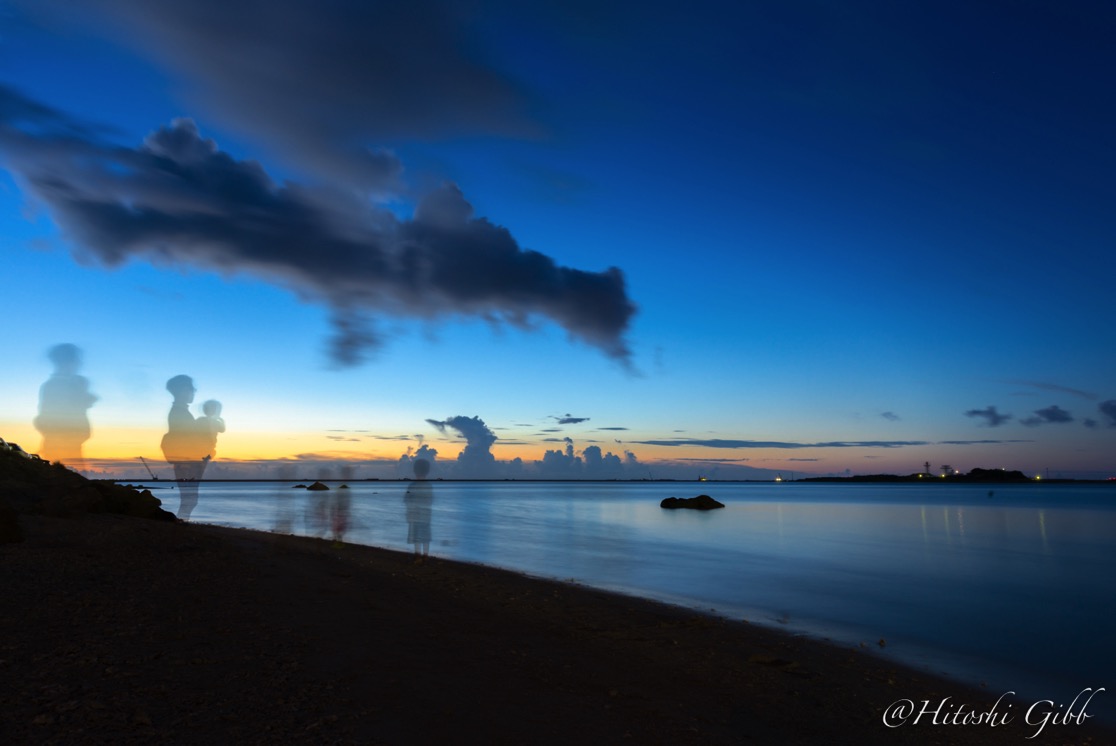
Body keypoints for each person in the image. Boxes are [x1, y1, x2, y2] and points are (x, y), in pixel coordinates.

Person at [34, 343, 97, 466]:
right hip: (60, 446)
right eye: (76, 359)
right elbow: (44, 417)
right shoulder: (54, 386)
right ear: (67, 361)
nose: (80, 363)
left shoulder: (75, 383)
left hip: (69, 445)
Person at [160, 375, 209, 521]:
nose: (193, 392)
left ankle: (181, 524)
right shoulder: (179, 413)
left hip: (187, 461)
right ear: (183, 390)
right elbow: (184, 439)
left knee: (189, 499)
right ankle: (180, 525)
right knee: (190, 499)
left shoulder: (179, 412)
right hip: (187, 463)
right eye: (191, 389)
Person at [403, 458, 434, 563]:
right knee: (425, 536)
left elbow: (406, 500)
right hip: (426, 515)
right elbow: (431, 501)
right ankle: (425, 555)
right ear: (427, 471)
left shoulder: (412, 485)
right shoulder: (429, 486)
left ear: (415, 471)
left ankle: (418, 555)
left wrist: (409, 513)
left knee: (416, 536)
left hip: (415, 515)